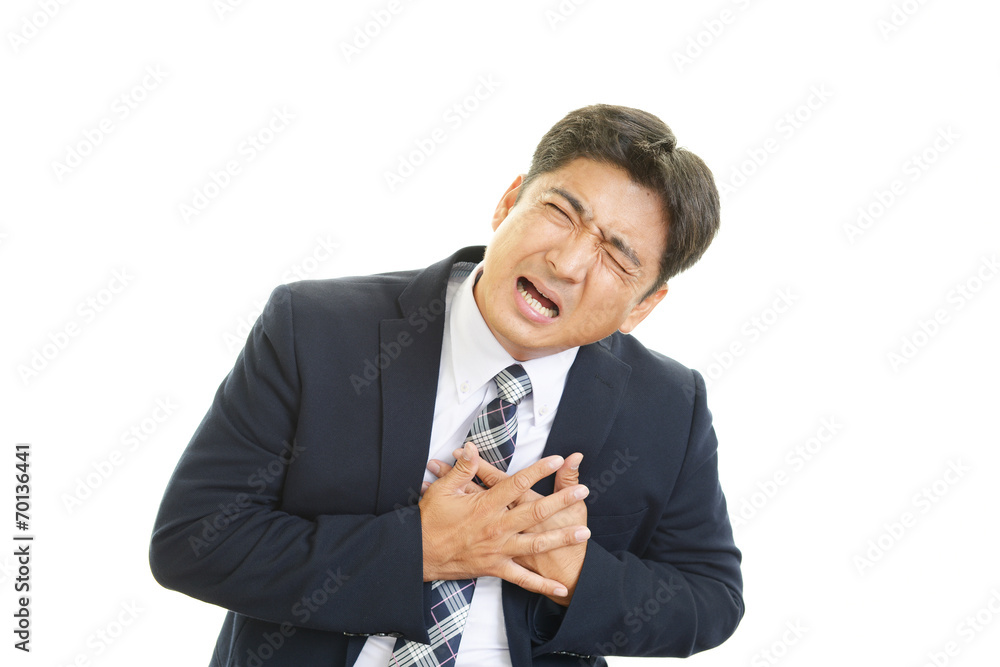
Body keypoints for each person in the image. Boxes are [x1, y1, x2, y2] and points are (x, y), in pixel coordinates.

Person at [149, 104, 744, 667]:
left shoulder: (671, 404)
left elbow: (711, 598)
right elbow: (193, 540)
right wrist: (419, 551)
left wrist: (577, 574)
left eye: (616, 257)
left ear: (642, 306)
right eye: (561, 213)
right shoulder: (315, 329)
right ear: (508, 202)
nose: (566, 264)